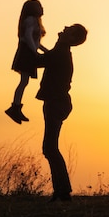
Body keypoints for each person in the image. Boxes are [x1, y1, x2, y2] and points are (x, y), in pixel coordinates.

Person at [36, 24, 88, 202]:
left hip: (56, 103)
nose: (65, 27)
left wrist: (27, 43)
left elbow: (40, 60)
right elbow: (46, 56)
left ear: (72, 38)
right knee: (50, 147)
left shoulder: (60, 53)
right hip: (58, 103)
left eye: (70, 29)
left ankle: (63, 191)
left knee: (50, 147)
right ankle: (61, 191)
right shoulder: (60, 51)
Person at [6, 0, 49, 124]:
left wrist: (46, 51)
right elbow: (29, 37)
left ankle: (16, 107)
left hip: (28, 51)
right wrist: (34, 52)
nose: (42, 8)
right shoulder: (30, 20)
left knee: (24, 81)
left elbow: (37, 43)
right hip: (26, 52)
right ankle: (15, 107)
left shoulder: (35, 21)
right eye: (39, 6)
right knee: (24, 81)